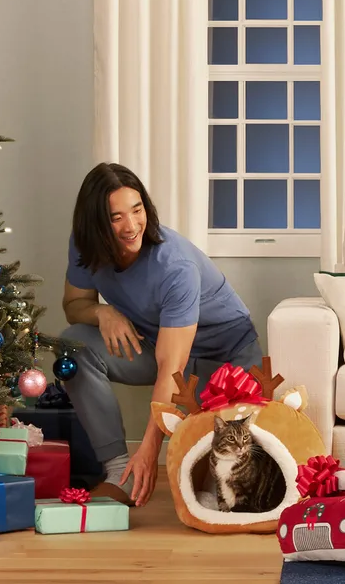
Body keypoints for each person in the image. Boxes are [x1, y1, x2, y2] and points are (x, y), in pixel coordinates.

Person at [59, 162, 262, 508]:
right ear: (94, 223)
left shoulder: (174, 266)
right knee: (71, 346)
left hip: (224, 364)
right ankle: (118, 470)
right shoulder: (85, 245)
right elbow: (74, 304)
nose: (131, 226)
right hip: (157, 348)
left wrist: (151, 450)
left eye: (137, 210)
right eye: (116, 217)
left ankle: (147, 467)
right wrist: (102, 312)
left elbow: (173, 368)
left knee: (222, 481)